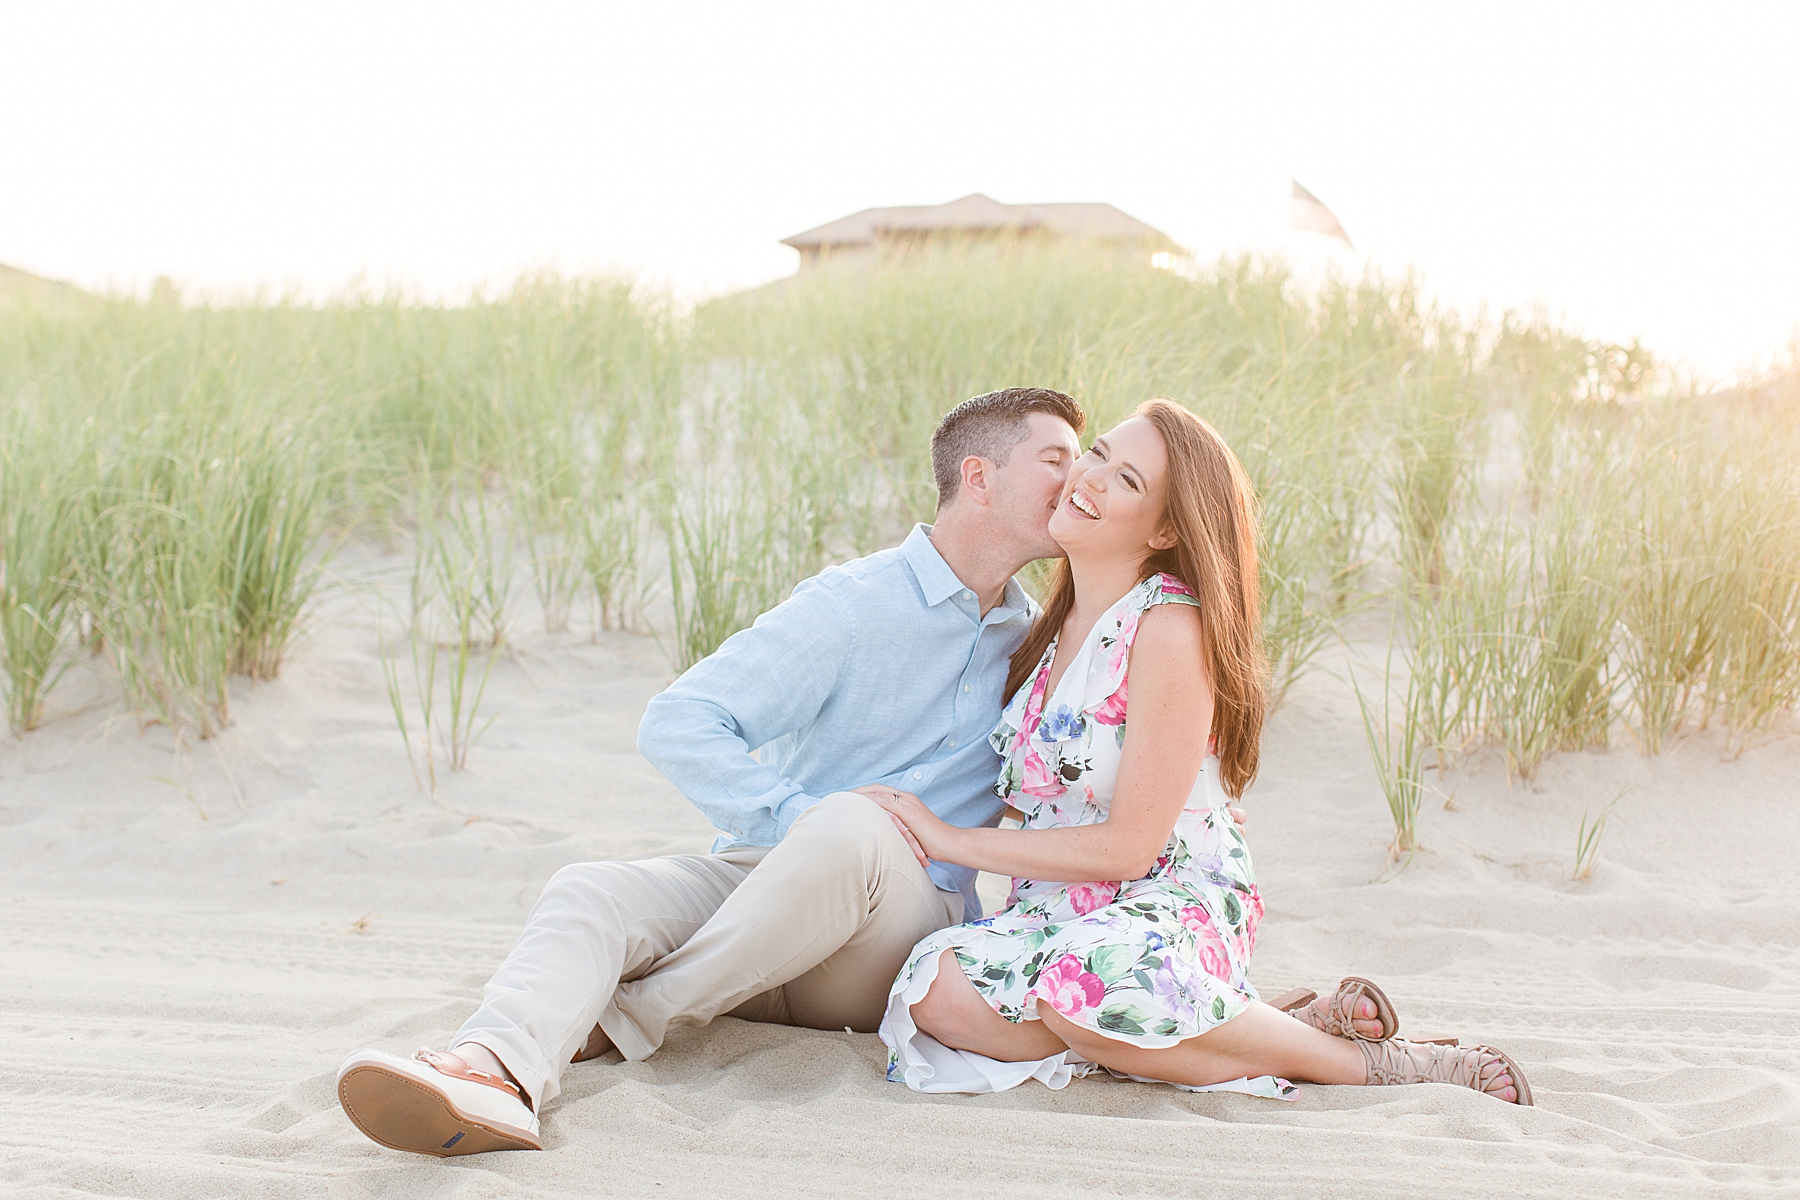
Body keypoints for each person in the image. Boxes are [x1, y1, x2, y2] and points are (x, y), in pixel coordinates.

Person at [866, 399, 1533, 1105]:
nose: (1089, 478)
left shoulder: (1166, 626)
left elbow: (1129, 850)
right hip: (1060, 913)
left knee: (1079, 992)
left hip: (1170, 894)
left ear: (1164, 528)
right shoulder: (1040, 631)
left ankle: (1379, 1063)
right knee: (934, 990)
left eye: (1126, 480)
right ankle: (1232, 1023)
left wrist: (950, 841)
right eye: (1099, 455)